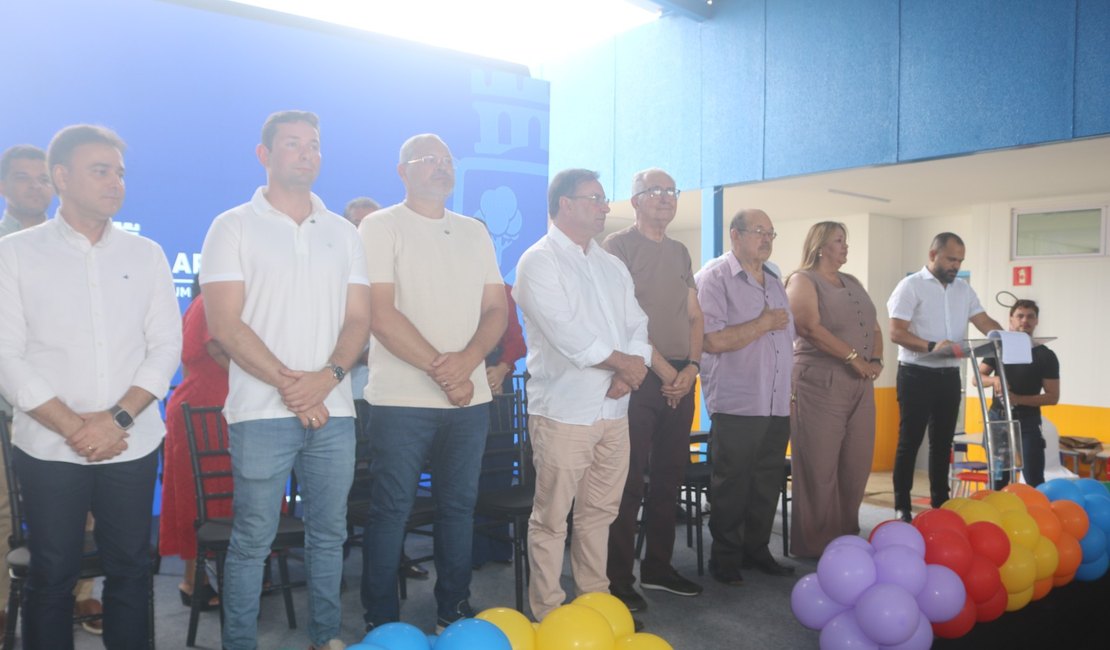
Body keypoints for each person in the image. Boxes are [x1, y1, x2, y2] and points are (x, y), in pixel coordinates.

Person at [0, 125, 182, 649]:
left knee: (130, 571)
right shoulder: (15, 253)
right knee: (52, 576)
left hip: (131, 443)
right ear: (62, 177)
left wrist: (114, 420)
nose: (115, 182)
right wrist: (77, 428)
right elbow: (8, 356)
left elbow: (164, 348)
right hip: (49, 446)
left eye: (119, 172)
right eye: (100, 171)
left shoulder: (146, 254)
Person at [202, 110, 371, 650]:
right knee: (253, 539)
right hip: (260, 412)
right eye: (293, 144)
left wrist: (326, 379)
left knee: (329, 536)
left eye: (314, 145)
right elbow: (226, 325)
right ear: (264, 154)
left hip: (335, 411)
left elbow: (359, 320)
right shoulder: (232, 226)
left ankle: (326, 638)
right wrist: (293, 386)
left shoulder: (344, 232)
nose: (305, 153)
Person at [359, 134, 506, 633]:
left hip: (469, 400)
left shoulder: (474, 232)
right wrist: (446, 372)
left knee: (458, 509)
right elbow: (380, 314)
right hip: (401, 400)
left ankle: (454, 608)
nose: (441, 167)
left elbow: (497, 309)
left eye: (448, 160)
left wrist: (465, 364)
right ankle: (381, 621)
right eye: (428, 160)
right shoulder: (380, 226)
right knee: (391, 510)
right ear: (402, 171)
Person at [514, 168, 652, 621]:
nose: (604, 207)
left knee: (599, 514)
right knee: (552, 520)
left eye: (603, 199)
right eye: (594, 198)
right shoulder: (539, 261)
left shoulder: (609, 263)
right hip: (564, 411)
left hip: (616, 407)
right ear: (564, 204)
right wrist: (626, 365)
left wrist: (630, 373)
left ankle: (594, 602)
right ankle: (549, 611)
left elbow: (638, 324)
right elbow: (567, 335)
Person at [602, 168, 703, 612]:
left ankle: (658, 567)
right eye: (654, 191)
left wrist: (693, 368)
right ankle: (617, 578)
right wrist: (665, 372)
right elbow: (621, 320)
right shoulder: (617, 247)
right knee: (627, 481)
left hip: (683, 377)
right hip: (640, 377)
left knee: (670, 478)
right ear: (635, 200)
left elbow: (695, 316)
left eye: (670, 191)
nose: (665, 198)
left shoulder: (681, 251)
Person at [697, 209, 796, 585]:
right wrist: (763, 323)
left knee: (767, 481)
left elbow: (786, 338)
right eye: (758, 231)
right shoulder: (714, 277)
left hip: (775, 401)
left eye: (771, 232)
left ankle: (756, 551)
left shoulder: (774, 280)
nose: (766, 239)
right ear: (735, 236)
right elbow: (712, 339)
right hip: (738, 401)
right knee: (732, 483)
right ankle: (724, 558)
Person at [887, 232, 1002, 522]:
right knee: (910, 441)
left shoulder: (963, 289)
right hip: (916, 373)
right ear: (933, 255)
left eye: (960, 260)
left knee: (943, 442)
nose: (955, 265)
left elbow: (983, 321)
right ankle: (903, 506)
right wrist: (929, 346)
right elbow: (896, 332)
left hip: (949, 375)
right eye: (951, 259)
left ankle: (942, 503)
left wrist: (1002, 335)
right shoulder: (910, 286)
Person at [785, 222, 883, 558]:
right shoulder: (803, 280)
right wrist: (854, 358)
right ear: (821, 245)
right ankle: (814, 545)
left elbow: (874, 326)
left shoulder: (853, 282)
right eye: (839, 240)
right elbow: (808, 327)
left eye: (846, 240)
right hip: (818, 382)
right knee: (819, 467)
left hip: (860, 384)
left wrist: (877, 359)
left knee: (856, 464)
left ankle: (845, 536)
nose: (845, 247)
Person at [158, 277, 231, 611]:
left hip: (217, 411)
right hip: (203, 415)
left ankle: (238, 577)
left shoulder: (211, 301)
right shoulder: (210, 302)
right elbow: (222, 353)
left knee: (227, 499)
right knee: (197, 502)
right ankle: (193, 581)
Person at [472, 282, 526, 568]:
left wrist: (503, 366)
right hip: (462, 382)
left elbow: (517, 341)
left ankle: (499, 545)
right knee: (471, 470)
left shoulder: (504, 290)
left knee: (501, 466)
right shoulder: (448, 284)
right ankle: (473, 550)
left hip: (498, 384)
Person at [979, 299, 1059, 487]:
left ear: (1037, 321)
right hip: (998, 420)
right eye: (1020, 316)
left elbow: (1052, 397)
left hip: (1028, 422)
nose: (1025, 320)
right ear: (1011, 320)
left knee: (1034, 479)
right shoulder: (998, 348)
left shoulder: (1045, 355)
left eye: (1030, 316)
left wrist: (1017, 399)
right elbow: (978, 378)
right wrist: (994, 380)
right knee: (998, 480)